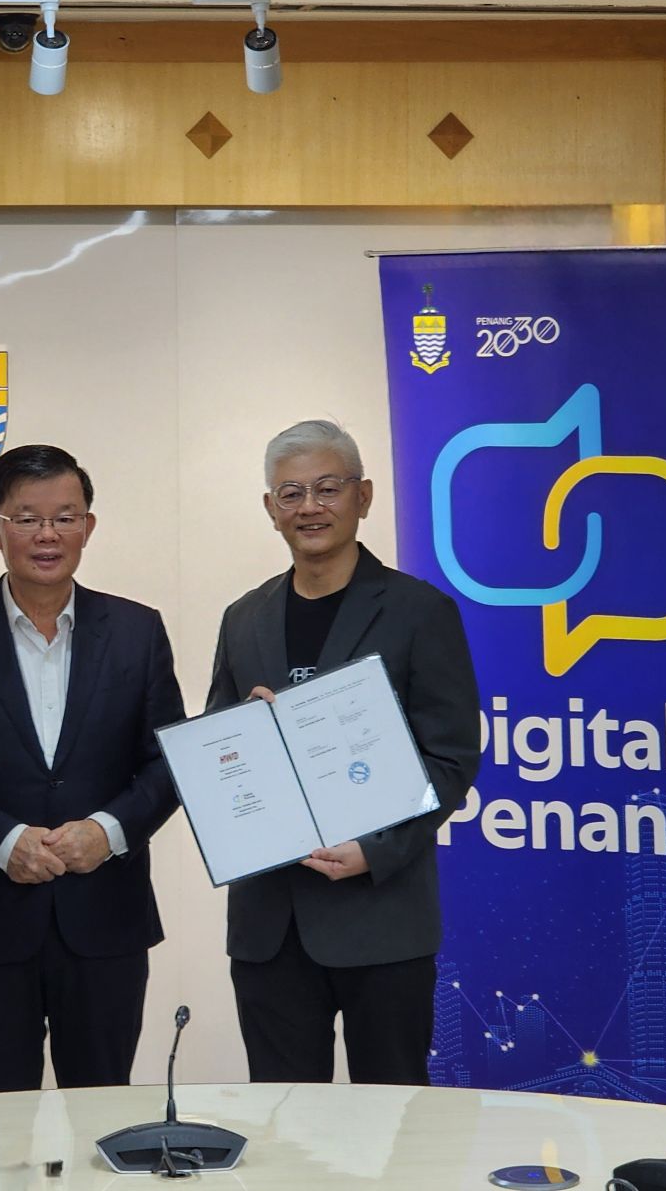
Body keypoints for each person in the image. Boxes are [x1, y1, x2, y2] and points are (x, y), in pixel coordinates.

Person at [0, 444, 184, 1094]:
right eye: (26, 518)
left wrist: (107, 831)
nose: (47, 535)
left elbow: (167, 763)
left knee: (102, 1117)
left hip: (106, 921)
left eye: (65, 516)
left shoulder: (139, 632)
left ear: (89, 526)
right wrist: (2, 841)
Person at [207, 419, 479, 1086]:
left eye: (327, 488)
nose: (310, 507)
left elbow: (451, 758)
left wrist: (377, 849)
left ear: (364, 496)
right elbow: (216, 743)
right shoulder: (244, 617)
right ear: (271, 510)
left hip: (381, 917)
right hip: (269, 923)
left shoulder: (420, 611)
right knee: (285, 1127)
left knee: (394, 1126)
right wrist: (241, 738)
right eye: (291, 493)